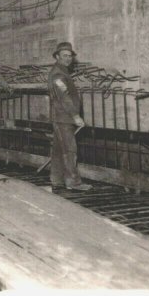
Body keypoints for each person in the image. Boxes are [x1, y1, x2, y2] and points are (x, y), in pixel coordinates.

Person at [47, 42, 92, 191]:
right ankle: (73, 182)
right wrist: (75, 116)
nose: (68, 58)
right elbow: (64, 96)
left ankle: (57, 179)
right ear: (57, 56)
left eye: (70, 56)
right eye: (64, 55)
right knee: (70, 149)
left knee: (59, 150)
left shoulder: (62, 72)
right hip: (63, 117)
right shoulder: (58, 74)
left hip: (61, 117)